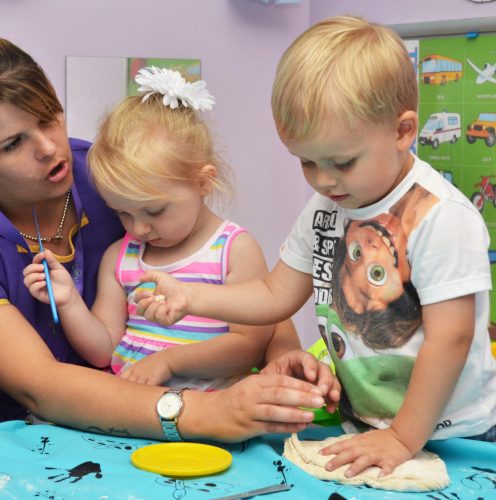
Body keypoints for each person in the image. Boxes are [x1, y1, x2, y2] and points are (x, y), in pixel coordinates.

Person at [0, 32, 335, 440]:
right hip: (5, 421)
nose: (49, 149)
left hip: (144, 399)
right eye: (12, 144)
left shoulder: (109, 177)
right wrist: (203, 412)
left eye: (49, 117)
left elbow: (241, 286)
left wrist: (282, 355)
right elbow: (39, 386)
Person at [137, 15, 496, 475]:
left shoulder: (441, 217)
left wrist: (404, 436)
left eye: (342, 162)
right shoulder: (327, 204)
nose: (324, 179)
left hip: (453, 434)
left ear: (403, 131)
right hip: (372, 428)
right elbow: (274, 295)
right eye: (307, 161)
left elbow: (453, 338)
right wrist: (194, 297)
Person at [24, 67, 284, 391]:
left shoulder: (233, 250)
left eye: (154, 210)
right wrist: (68, 302)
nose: (139, 228)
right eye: (122, 213)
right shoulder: (120, 257)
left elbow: (248, 347)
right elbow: (105, 349)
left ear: (202, 182)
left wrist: (169, 361)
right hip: (137, 411)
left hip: (215, 409)